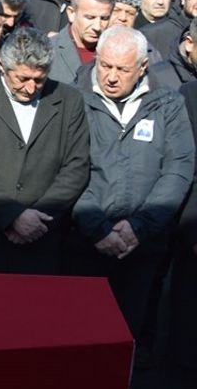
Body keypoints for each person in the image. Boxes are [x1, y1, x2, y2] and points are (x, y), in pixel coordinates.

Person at [68, 26, 194, 347]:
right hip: (85, 243)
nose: (111, 76)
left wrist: (140, 227)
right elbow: (68, 168)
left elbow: (178, 168)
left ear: (142, 68)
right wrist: (97, 228)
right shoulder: (74, 100)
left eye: (122, 69)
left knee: (127, 340)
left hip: (142, 244)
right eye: (105, 65)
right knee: (80, 337)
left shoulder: (167, 104)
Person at [0, 28, 90, 275]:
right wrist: (11, 216)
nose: (31, 88)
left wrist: (39, 217)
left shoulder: (69, 100)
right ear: (1, 66)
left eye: (39, 80)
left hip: (44, 235)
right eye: (22, 79)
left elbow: (76, 166)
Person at [48, 0, 114, 84]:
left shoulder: (117, 51)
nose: (97, 27)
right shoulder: (48, 50)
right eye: (90, 17)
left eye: (104, 18)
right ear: (71, 13)